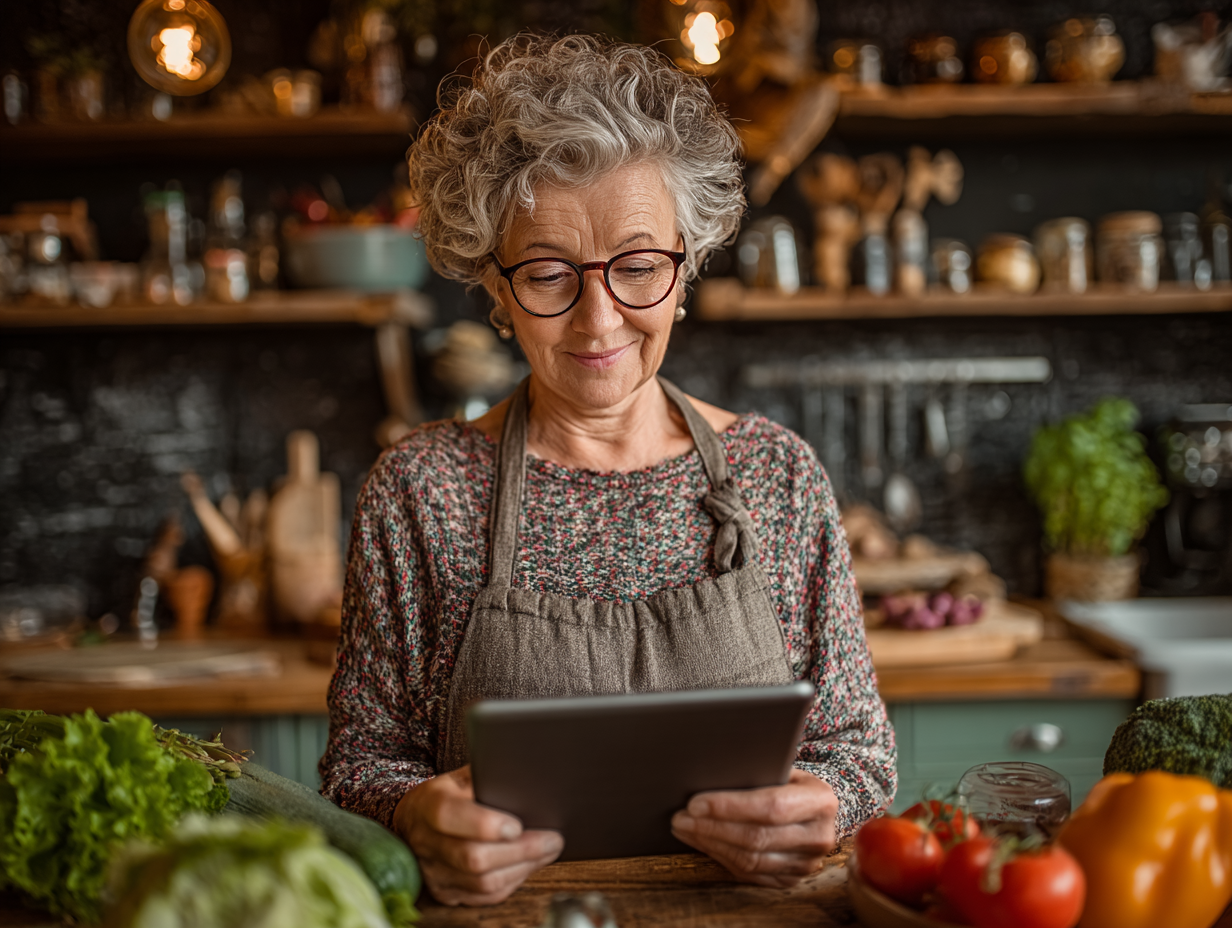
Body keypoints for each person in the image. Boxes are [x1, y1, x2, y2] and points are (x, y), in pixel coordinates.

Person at [320, 33, 895, 906]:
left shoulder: (776, 475)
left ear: (688, 265)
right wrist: (408, 815)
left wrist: (825, 799)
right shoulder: (421, 491)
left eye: (637, 268)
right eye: (550, 275)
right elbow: (358, 764)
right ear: (496, 287)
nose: (599, 321)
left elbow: (859, 749)